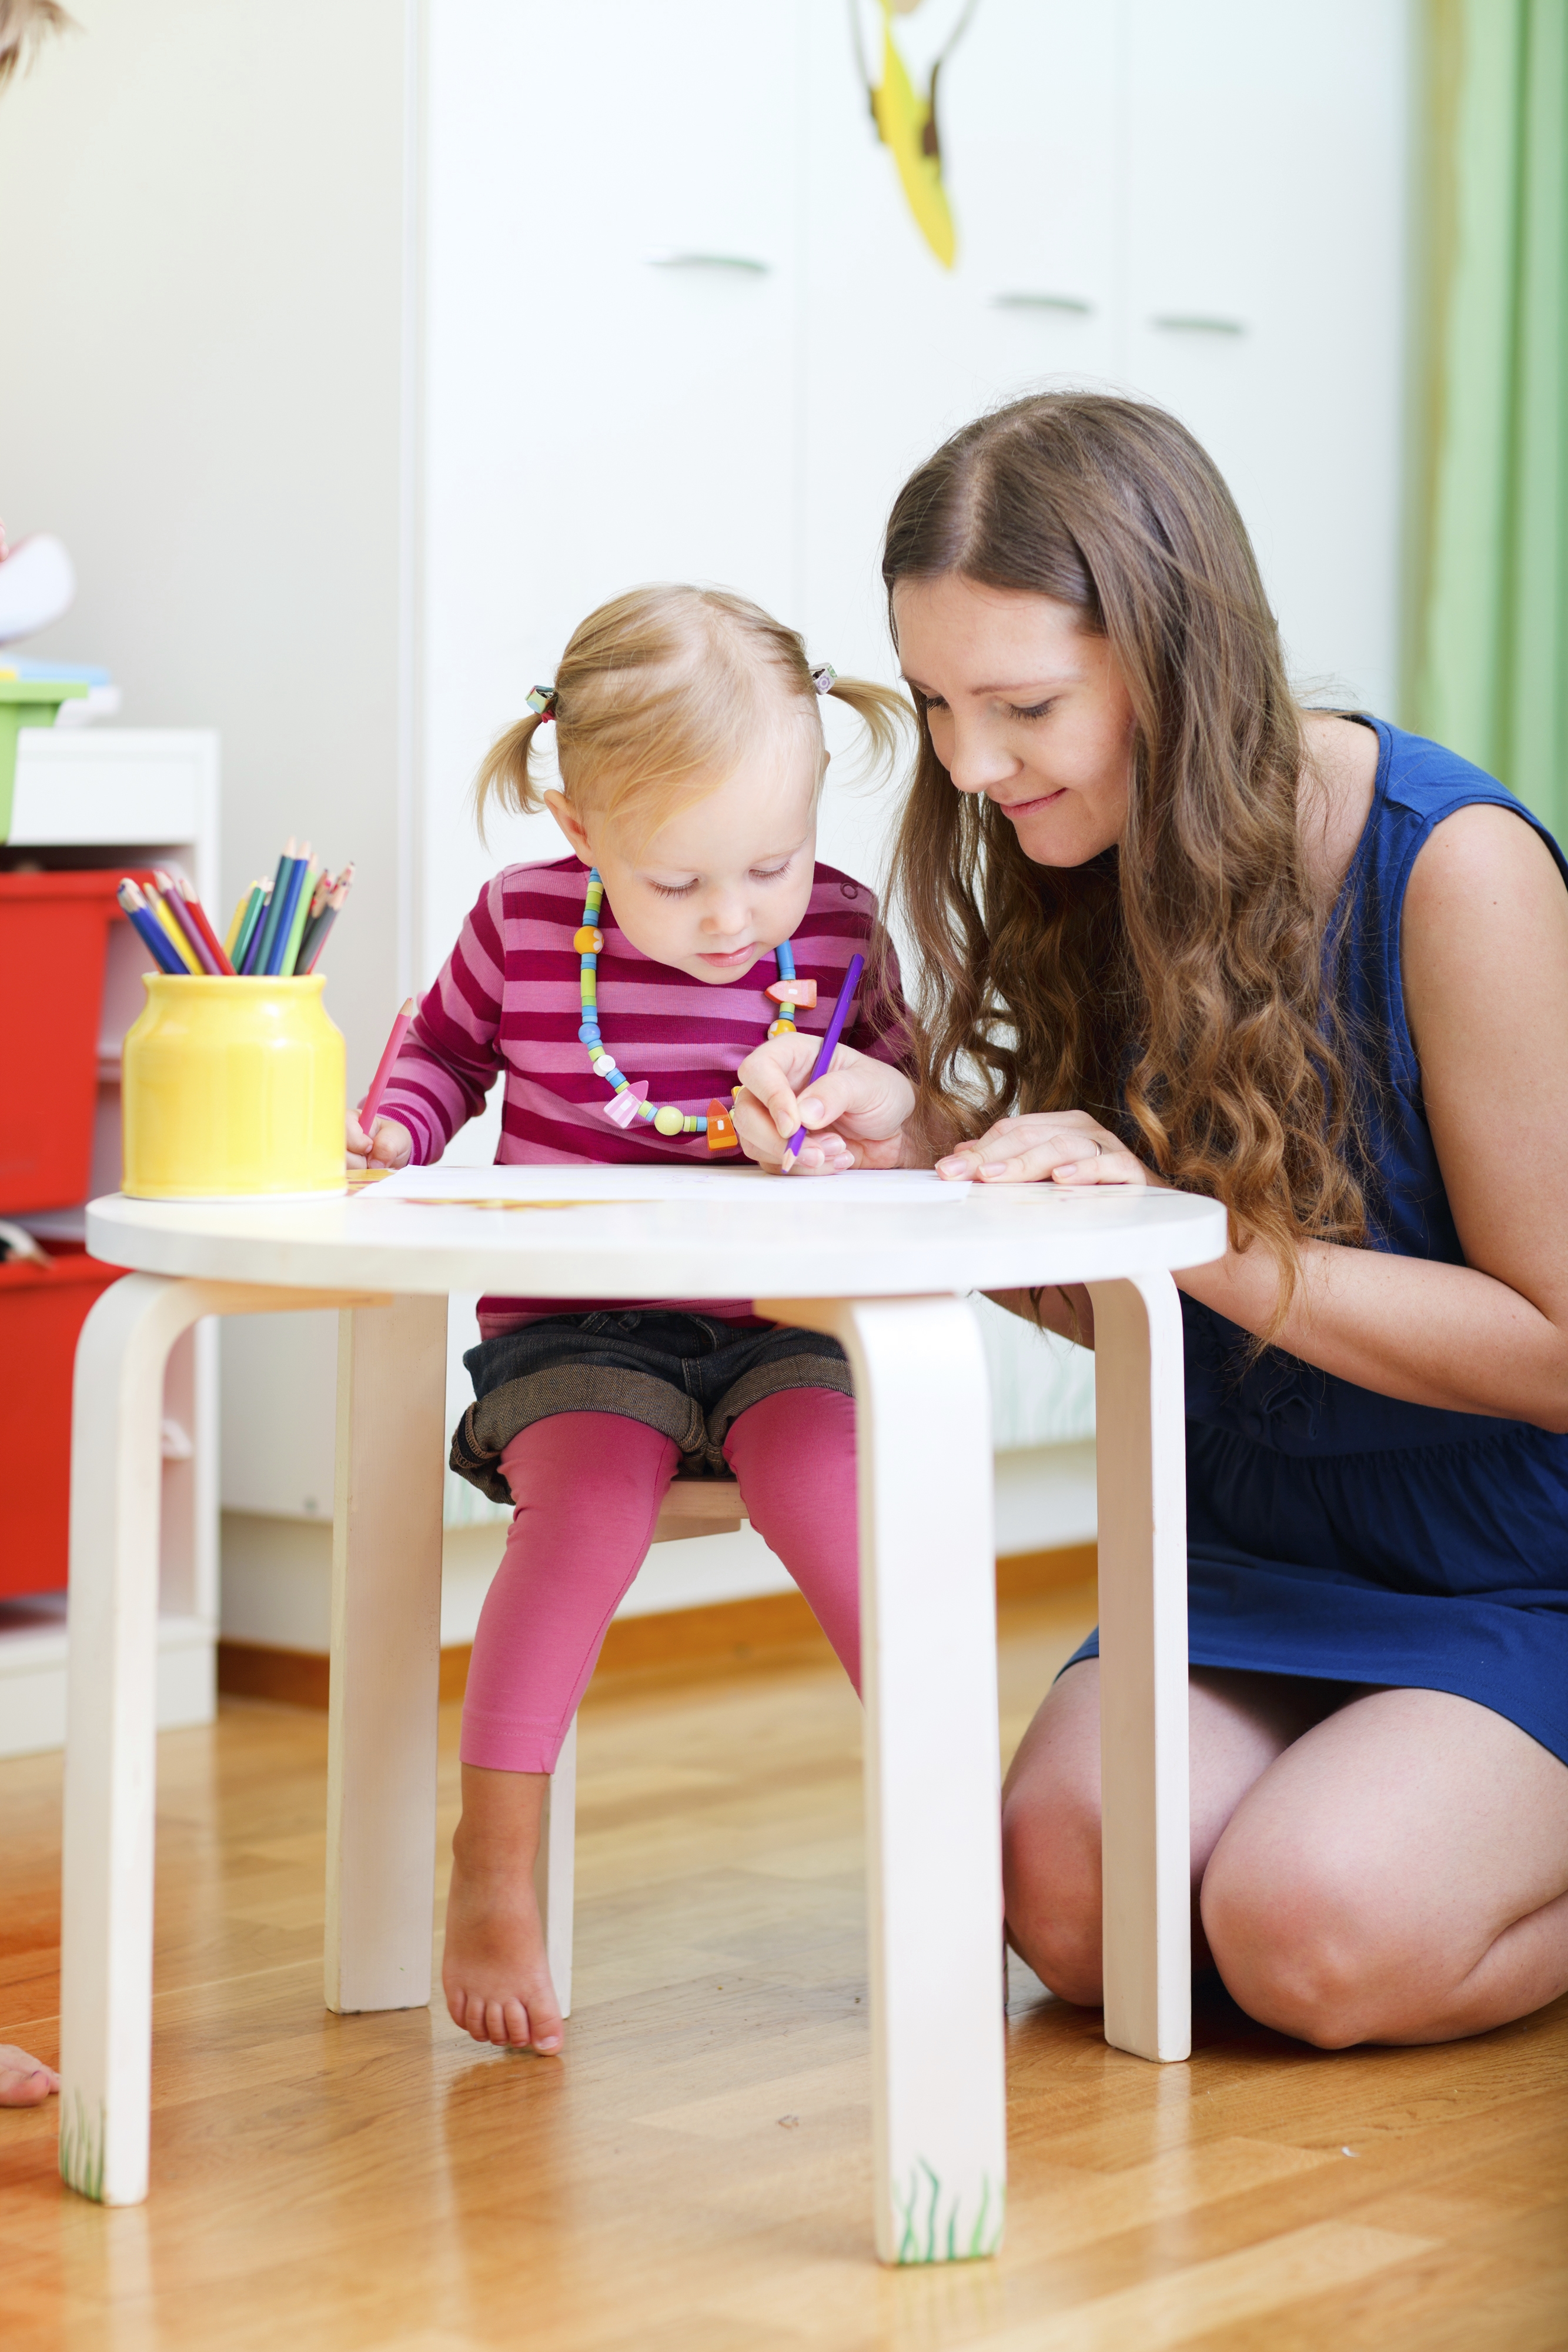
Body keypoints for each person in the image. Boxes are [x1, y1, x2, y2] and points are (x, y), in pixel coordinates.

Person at [734, 392, 1568, 2049]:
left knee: (1305, 1935)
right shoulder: (1087, 850)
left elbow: (1554, 1352)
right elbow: (1137, 1285)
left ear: (1170, 663)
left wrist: (1194, 1235)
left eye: (1023, 706)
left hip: (1509, 1565)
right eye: (936, 705)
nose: (970, 768)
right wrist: (935, 1148)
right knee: (1068, 1902)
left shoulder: (1450, 868)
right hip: (1245, 1544)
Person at [349, 585, 908, 2056]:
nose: (732, 916)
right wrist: (400, 1131)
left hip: (777, 1322)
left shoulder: (840, 929)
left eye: (768, 864)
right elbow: (441, 1053)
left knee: (839, 1498)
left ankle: (940, 1849)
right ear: (579, 826)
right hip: (575, 1328)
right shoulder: (527, 924)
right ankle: (495, 1861)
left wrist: (856, 1125)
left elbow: (905, 1107)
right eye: (679, 883)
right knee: (585, 1504)